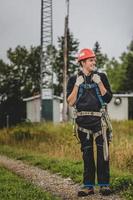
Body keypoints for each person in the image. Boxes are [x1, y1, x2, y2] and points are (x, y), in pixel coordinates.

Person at [67, 48, 113, 197]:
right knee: (87, 154)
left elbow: (108, 98)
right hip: (82, 123)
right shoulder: (74, 80)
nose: (94, 62)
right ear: (82, 62)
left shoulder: (102, 76)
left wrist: (100, 84)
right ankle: (88, 186)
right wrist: (77, 85)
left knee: (102, 154)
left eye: (94, 59)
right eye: (91, 60)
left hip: (100, 121)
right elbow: (70, 101)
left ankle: (104, 185)